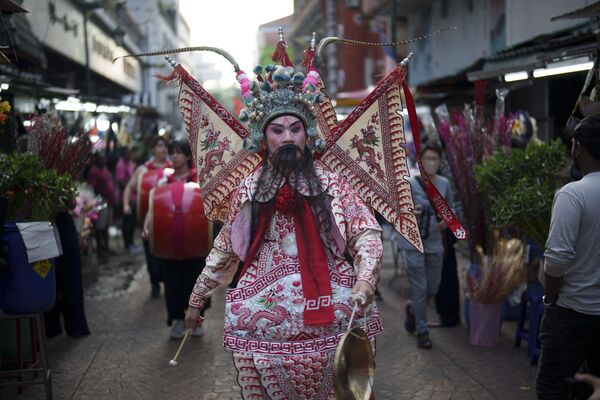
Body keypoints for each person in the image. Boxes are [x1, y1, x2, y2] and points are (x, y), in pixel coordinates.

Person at [184, 84, 384, 397]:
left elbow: (366, 233)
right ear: (263, 139)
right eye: (277, 130)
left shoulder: (334, 184)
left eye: (295, 129)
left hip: (333, 310)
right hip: (264, 321)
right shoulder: (249, 188)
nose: (288, 137)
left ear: (308, 135)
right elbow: (225, 249)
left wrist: (366, 280)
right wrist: (197, 298)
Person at [536, 115, 600, 399]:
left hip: (572, 313)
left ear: (579, 149)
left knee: (554, 389)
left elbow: (557, 261)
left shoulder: (573, 194)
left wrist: (550, 300)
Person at [142, 140, 211, 339]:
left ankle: (198, 320)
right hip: (169, 242)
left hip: (195, 241)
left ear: (188, 156)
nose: (174, 156)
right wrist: (148, 225)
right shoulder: (164, 181)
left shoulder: (199, 180)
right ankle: (178, 320)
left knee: (196, 280)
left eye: (178, 153)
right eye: (172, 153)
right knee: (172, 282)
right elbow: (154, 208)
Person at [399, 142, 454, 348]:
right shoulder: (410, 184)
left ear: (440, 162)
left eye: (435, 159)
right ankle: (423, 331)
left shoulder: (445, 184)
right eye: (427, 159)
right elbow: (400, 212)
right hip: (413, 242)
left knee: (433, 285)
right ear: (420, 161)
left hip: (434, 242)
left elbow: (451, 210)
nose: (431, 163)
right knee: (420, 287)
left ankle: (413, 309)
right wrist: (411, 214)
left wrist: (446, 223)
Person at [123, 136, 171, 298]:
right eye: (159, 145)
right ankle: (154, 284)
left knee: (167, 252)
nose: (163, 149)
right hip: (147, 220)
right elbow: (129, 187)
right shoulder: (143, 170)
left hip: (167, 220)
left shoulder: (173, 168)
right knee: (150, 254)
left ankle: (166, 281)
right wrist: (126, 205)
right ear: (152, 149)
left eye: (165, 146)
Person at [86, 152, 116, 264]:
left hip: (108, 201)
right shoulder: (94, 171)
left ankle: (106, 248)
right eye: (101, 158)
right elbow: (91, 188)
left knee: (106, 226)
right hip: (100, 202)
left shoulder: (104, 168)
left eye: (104, 158)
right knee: (100, 227)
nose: (103, 160)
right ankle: (100, 251)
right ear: (96, 159)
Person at [115, 147, 139, 254]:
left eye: (129, 153)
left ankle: (131, 243)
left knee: (132, 222)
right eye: (126, 153)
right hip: (125, 198)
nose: (128, 155)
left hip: (134, 197)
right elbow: (121, 182)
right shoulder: (120, 165)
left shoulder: (130, 163)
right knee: (127, 223)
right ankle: (128, 244)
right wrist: (132, 187)